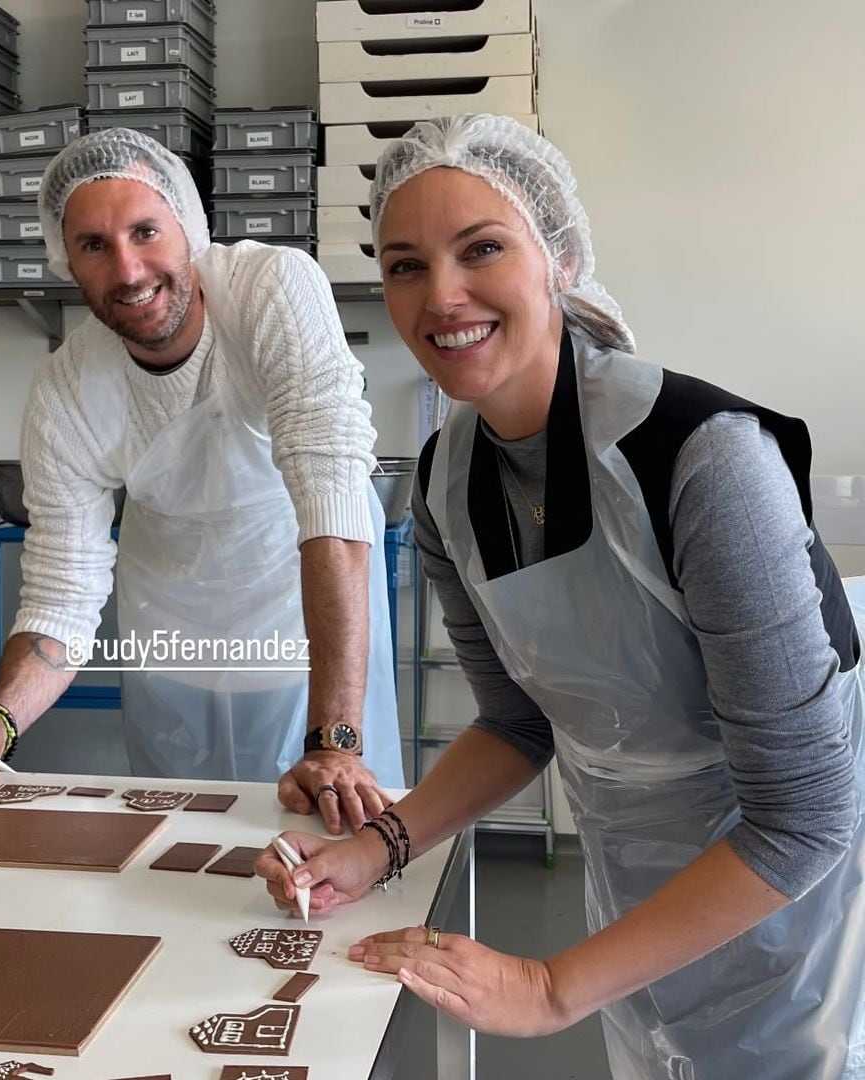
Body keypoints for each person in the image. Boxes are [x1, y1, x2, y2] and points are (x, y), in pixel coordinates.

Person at [257, 114, 865, 1077]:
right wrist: (382, 844)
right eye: (406, 265)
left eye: (482, 248)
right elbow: (516, 723)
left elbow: (803, 817)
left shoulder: (702, 463)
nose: (440, 296)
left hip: (779, 885)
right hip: (629, 867)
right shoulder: (446, 480)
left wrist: (551, 989)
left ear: (561, 258)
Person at [0, 128, 404, 832]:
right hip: (173, 643)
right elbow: (63, 589)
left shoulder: (270, 289)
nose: (127, 269)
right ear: (68, 263)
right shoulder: (68, 389)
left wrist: (335, 740)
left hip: (304, 636)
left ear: (188, 228)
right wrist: (1, 721)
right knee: (179, 844)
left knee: (325, 848)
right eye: (94, 245)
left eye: (145, 231)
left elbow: (329, 494)